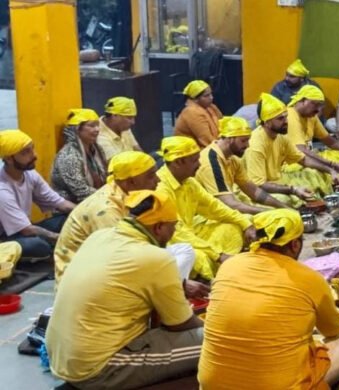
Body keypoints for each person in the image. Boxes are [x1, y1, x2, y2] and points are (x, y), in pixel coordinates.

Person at [46, 190, 204, 390]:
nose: (173, 233)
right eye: (173, 227)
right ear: (159, 227)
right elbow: (179, 324)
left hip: (61, 356)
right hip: (98, 369)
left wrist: (179, 287)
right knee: (218, 342)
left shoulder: (99, 236)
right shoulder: (155, 257)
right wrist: (209, 323)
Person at [198, 209, 339, 389]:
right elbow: (335, 330)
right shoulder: (308, 278)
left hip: (211, 385)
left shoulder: (229, 265)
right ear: (295, 244)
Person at [156, 136, 256, 281]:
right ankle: (206, 278)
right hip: (171, 243)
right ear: (179, 162)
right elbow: (176, 233)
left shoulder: (189, 182)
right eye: (194, 160)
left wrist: (245, 224)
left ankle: (219, 269)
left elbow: (215, 207)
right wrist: (218, 255)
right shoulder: (161, 188)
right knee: (198, 257)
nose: (199, 164)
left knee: (235, 226)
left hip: (192, 233)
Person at [53, 151, 159, 286]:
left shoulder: (123, 194)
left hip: (103, 266)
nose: (158, 180)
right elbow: (120, 258)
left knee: (177, 253)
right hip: (81, 282)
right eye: (151, 176)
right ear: (130, 181)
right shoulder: (105, 210)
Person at [243, 93, 337, 208]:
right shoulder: (256, 145)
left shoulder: (281, 136)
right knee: (285, 199)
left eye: (286, 116)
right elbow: (259, 185)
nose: (286, 121)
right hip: (254, 189)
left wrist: (331, 169)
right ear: (267, 122)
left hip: (279, 180)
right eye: (280, 118)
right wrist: (293, 189)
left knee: (314, 174)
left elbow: (303, 160)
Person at [0, 129, 75, 259]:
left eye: (32, 149)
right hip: (6, 238)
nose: (34, 155)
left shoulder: (30, 174)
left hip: (25, 229)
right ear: (9, 159)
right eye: (26, 152)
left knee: (71, 219)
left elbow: (59, 203)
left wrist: (88, 213)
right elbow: (26, 230)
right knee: (38, 246)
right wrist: (60, 238)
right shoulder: (2, 189)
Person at [195, 117, 291, 214]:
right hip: (203, 217)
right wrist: (271, 213)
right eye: (243, 141)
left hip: (222, 210)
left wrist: (284, 208)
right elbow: (229, 204)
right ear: (230, 139)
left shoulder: (233, 159)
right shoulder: (211, 162)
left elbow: (254, 191)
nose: (248, 145)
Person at [285, 85, 339, 195]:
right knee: (313, 173)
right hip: (293, 163)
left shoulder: (311, 116)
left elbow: (329, 140)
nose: (318, 110)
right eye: (315, 104)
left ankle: (333, 175)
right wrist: (331, 165)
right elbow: (302, 151)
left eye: (320, 106)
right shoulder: (291, 115)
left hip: (309, 155)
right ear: (303, 100)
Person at [52, 108, 107, 203]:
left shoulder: (97, 149)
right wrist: (109, 196)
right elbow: (80, 190)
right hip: (71, 207)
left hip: (96, 200)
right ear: (77, 129)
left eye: (97, 125)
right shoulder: (69, 155)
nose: (97, 129)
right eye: (91, 126)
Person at [174, 80, 224, 148]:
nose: (211, 97)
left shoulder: (210, 107)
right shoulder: (191, 112)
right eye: (206, 96)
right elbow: (207, 141)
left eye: (211, 94)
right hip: (191, 154)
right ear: (195, 99)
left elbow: (223, 123)